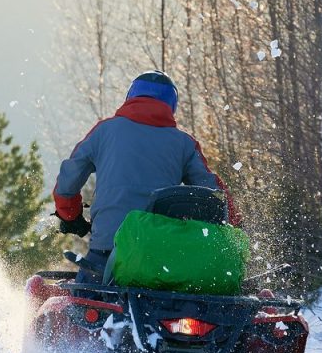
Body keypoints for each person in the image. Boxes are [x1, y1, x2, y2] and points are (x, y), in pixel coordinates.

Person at [52, 70, 241, 284]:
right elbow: (216, 196)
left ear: (131, 97)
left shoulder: (104, 131)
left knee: (83, 308)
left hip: (106, 253)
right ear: (172, 105)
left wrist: (71, 217)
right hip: (160, 258)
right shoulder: (184, 144)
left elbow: (67, 182)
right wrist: (235, 227)